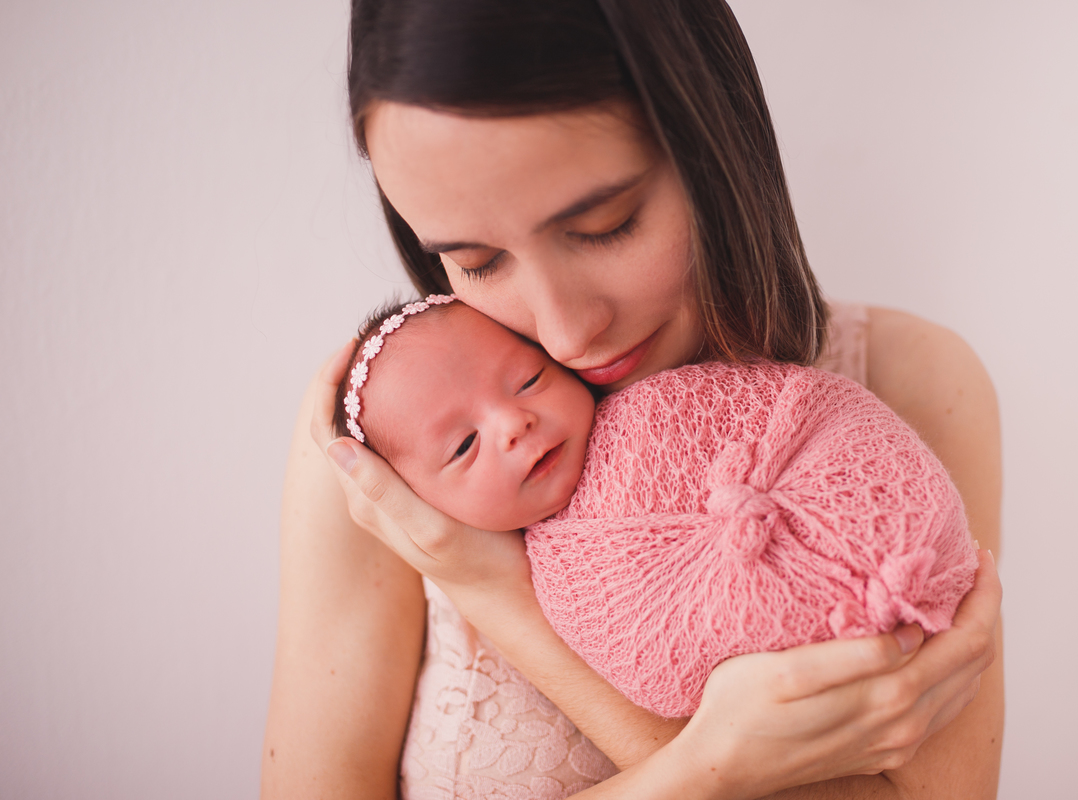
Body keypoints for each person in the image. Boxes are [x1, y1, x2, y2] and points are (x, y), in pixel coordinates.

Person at [261, 0, 1004, 798]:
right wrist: (701, 769)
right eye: (476, 261)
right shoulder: (387, 462)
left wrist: (501, 593)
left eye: (605, 226)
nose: (566, 332)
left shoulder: (907, 381)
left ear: (716, 149)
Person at [332, 293, 978, 724]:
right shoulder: (394, 537)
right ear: (413, 498)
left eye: (528, 379)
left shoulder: (666, 408)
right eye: (465, 444)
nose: (513, 423)